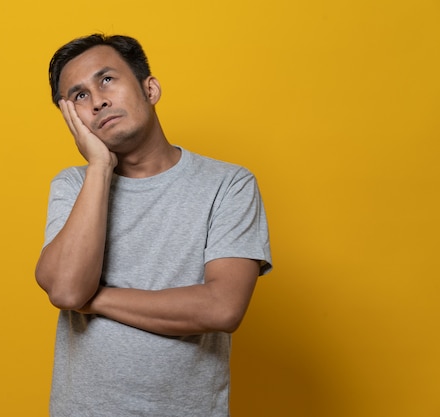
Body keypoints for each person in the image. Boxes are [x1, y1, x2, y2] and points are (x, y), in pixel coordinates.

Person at [36, 33, 272, 417]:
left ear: (150, 88)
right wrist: (99, 167)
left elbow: (222, 308)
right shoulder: (73, 184)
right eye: (79, 96)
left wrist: (93, 298)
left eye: (107, 79)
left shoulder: (228, 184)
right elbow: (65, 289)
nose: (98, 101)